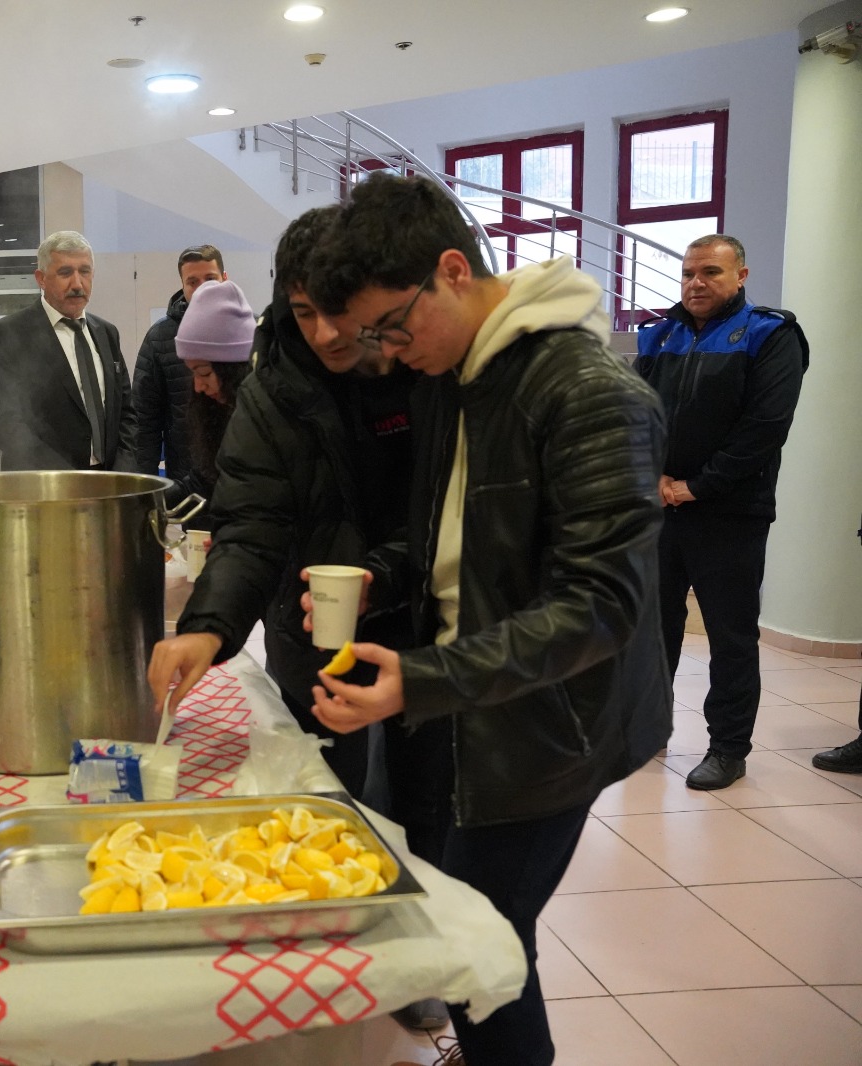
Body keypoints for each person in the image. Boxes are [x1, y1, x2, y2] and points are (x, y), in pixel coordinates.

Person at [304, 174, 672, 1066]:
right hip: (471, 702)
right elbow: (450, 543)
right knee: (479, 937)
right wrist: (377, 574)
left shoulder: (588, 392)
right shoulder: (460, 374)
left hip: (552, 723)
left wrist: (422, 680)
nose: (386, 351)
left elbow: (600, 604)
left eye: (391, 326)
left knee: (482, 947)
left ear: (453, 270)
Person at [146, 207, 416, 805]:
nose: (323, 332)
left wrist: (387, 576)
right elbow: (251, 524)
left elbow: (449, 517)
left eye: (337, 309)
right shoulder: (272, 392)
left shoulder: (418, 368)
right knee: (331, 797)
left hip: (425, 639)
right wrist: (207, 629)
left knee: (418, 822)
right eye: (303, 311)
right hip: (310, 639)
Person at [634, 235, 809, 791]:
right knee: (655, 626)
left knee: (730, 637)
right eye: (688, 273)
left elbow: (765, 428)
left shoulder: (771, 334)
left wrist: (698, 486)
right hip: (662, 507)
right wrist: (654, 477)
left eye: (710, 271)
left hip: (731, 512)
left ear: (741, 276)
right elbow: (635, 409)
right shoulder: (662, 333)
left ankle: (728, 748)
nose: (695, 283)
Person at [0, 230, 137, 470]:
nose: (77, 284)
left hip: (107, 485)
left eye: (84, 272)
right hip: (42, 488)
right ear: (41, 278)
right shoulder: (10, 334)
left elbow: (126, 413)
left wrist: (123, 472)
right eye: (65, 273)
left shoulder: (107, 333)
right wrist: (63, 481)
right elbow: (4, 422)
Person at [131, 244, 227, 487]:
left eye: (210, 279)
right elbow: (145, 424)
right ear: (182, 285)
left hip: (247, 483)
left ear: (225, 280)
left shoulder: (252, 331)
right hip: (188, 482)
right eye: (192, 281)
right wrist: (144, 491)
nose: (201, 288)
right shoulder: (159, 337)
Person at [175, 278, 253, 507]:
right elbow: (204, 477)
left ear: (233, 370)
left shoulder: (271, 420)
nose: (198, 386)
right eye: (193, 374)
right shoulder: (219, 409)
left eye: (205, 373)